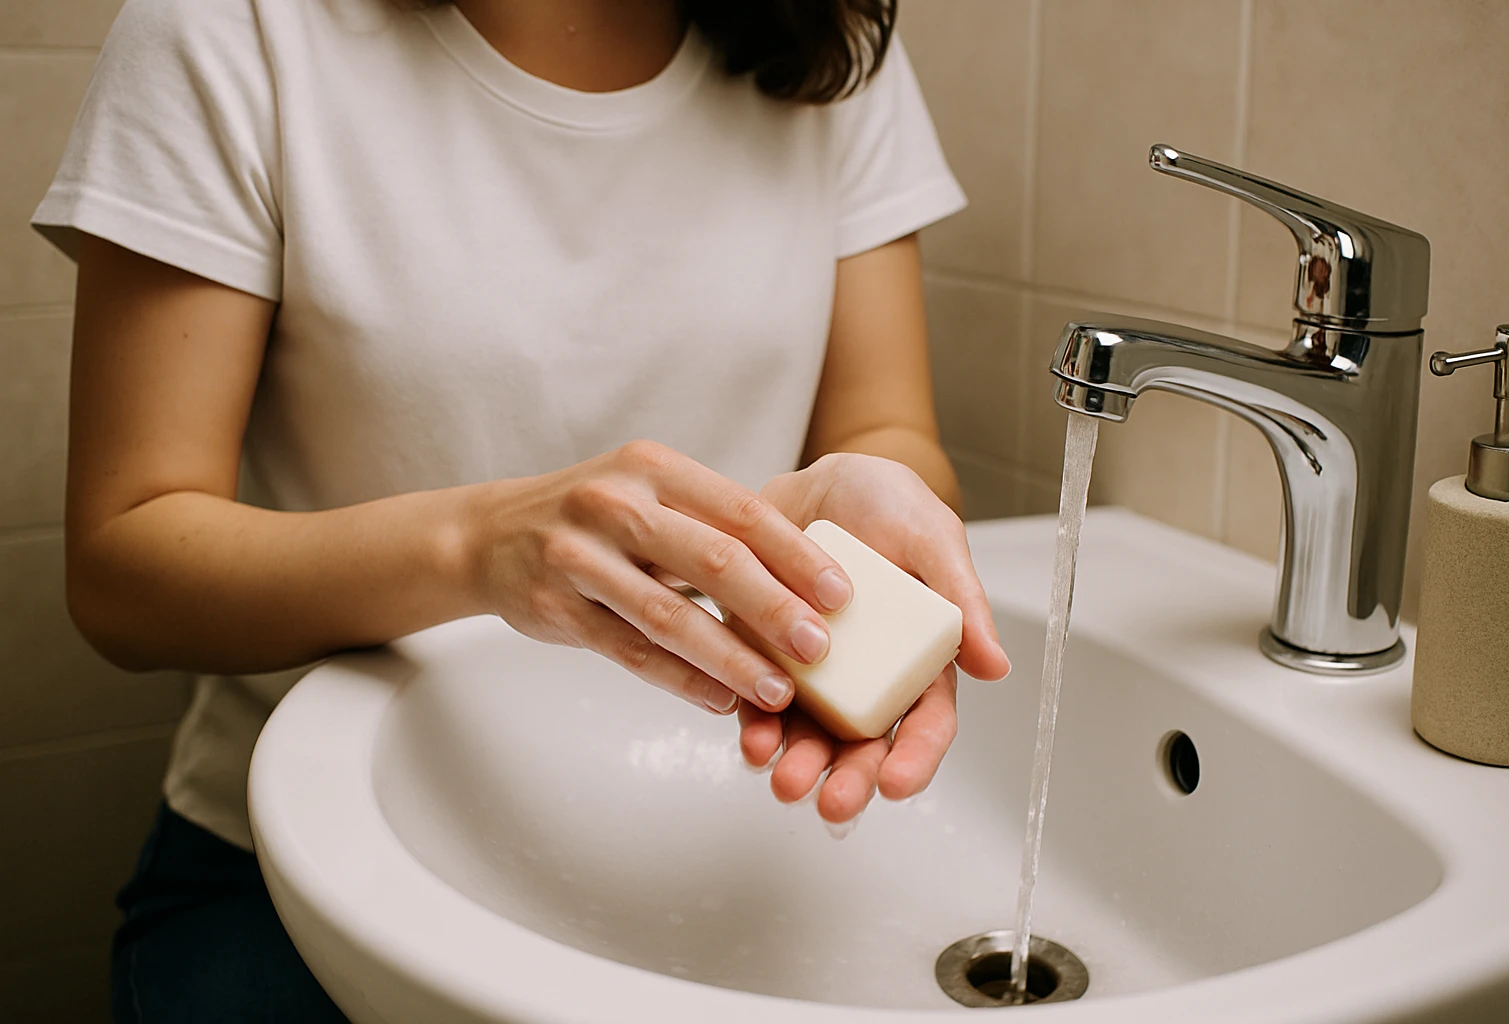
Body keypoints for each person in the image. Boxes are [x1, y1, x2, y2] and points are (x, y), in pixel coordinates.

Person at [33, 0, 1013, 1019]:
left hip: (730, 843)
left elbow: (890, 434)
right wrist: (477, 549)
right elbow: (122, 565)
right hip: (304, 863)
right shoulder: (232, 28)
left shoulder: (829, 35)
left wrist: (876, 511)